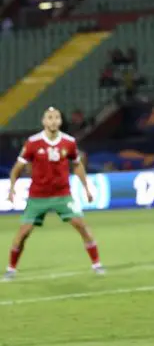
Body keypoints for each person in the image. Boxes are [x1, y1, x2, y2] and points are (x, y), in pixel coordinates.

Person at [4, 107, 104, 280]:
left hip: (62, 195)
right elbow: (17, 168)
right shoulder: (33, 142)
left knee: (81, 226)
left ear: (60, 121)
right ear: (44, 121)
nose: (53, 121)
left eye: (56, 117)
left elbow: (77, 165)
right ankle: (11, 269)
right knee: (23, 233)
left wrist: (86, 187)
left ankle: (97, 265)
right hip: (38, 196)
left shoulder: (69, 142)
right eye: (49, 117)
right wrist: (12, 188)